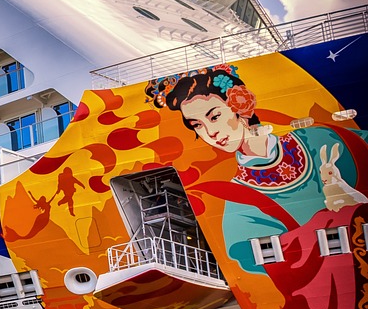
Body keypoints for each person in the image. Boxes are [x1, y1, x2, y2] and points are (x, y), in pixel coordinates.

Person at [147, 64, 368, 272]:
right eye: (197, 125)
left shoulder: (318, 139)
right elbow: (246, 260)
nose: (210, 132)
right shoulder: (236, 200)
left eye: (215, 116)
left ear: (240, 107)